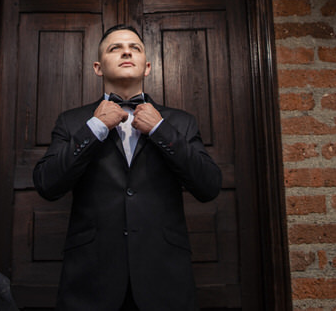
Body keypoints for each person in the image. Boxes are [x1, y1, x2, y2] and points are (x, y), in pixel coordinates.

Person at [32, 24, 221, 311]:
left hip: (164, 278)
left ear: (147, 67)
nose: (126, 52)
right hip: (91, 280)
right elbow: (47, 184)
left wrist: (159, 129)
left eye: (135, 48)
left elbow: (209, 186)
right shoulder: (71, 122)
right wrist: (95, 128)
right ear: (98, 68)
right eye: (115, 48)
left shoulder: (180, 123)